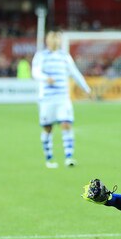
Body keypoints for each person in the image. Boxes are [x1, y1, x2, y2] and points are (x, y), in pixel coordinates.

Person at [31, 29, 91, 168]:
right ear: (47, 40)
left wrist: (86, 89)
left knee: (66, 124)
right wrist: (46, 78)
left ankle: (69, 157)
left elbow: (75, 73)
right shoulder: (41, 56)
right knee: (48, 128)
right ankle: (49, 158)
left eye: (57, 38)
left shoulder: (65, 56)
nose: (55, 41)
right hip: (46, 99)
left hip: (63, 97)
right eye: (53, 38)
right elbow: (35, 72)